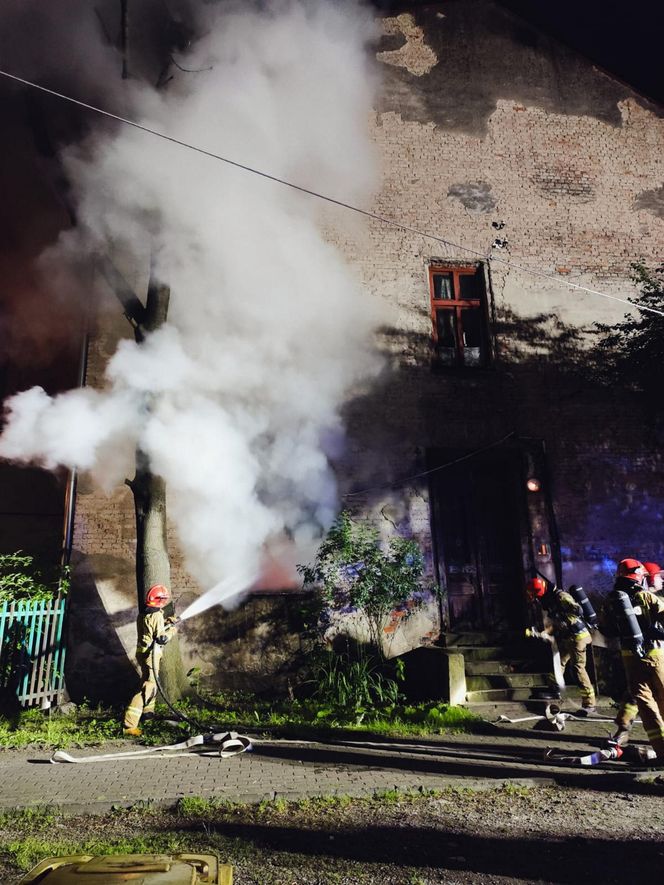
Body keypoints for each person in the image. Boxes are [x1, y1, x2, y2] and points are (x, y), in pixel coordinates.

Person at [601, 558, 664, 762]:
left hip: (630, 659)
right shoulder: (647, 597)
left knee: (645, 705)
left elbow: (606, 629)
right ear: (639, 578)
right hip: (654, 656)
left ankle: (662, 750)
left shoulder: (611, 602)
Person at [525, 576, 596, 712]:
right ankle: (554, 690)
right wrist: (544, 632)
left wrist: (566, 618)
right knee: (558, 662)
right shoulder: (550, 600)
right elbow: (555, 622)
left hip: (578, 637)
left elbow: (578, 610)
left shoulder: (561, 596)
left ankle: (589, 704)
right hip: (567, 637)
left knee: (578, 669)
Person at [123, 583, 177, 737]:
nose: (165, 602)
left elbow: (151, 630)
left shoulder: (145, 613)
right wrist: (172, 630)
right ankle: (129, 724)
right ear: (160, 600)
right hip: (152, 655)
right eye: (163, 600)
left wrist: (166, 623)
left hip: (143, 653)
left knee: (148, 682)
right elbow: (161, 638)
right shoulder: (157, 615)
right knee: (148, 687)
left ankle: (148, 714)